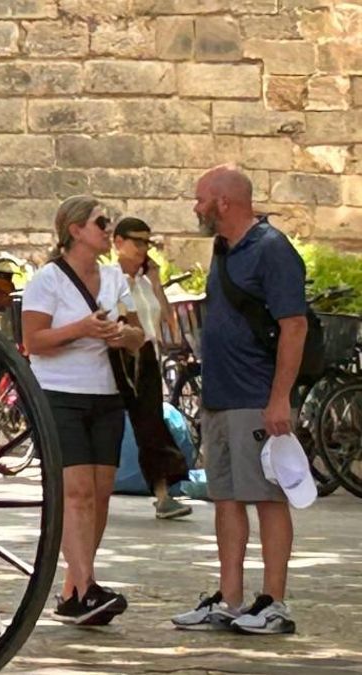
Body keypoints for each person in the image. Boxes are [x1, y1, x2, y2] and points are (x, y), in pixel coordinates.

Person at [171, 165, 306, 635]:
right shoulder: (224, 249)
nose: (196, 206)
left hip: (256, 395)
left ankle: (274, 601)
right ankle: (229, 599)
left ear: (224, 202)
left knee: (267, 497)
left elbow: (295, 325)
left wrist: (280, 399)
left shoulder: (271, 250)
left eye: (201, 198)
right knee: (225, 496)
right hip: (220, 396)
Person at [20, 195, 145, 626]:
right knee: (76, 493)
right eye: (101, 222)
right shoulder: (47, 280)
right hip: (58, 393)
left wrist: (120, 334)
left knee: (101, 492)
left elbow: (138, 336)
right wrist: (82, 329)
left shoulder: (114, 279)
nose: (109, 230)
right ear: (75, 231)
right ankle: (88, 586)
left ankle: (75, 589)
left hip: (106, 394)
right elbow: (33, 341)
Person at [113, 217, 192, 520]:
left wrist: (156, 280)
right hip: (121, 354)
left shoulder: (145, 281)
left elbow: (167, 322)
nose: (143, 248)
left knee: (151, 425)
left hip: (146, 355)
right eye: (137, 241)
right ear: (118, 242)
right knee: (115, 424)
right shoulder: (110, 279)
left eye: (147, 242)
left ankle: (163, 494)